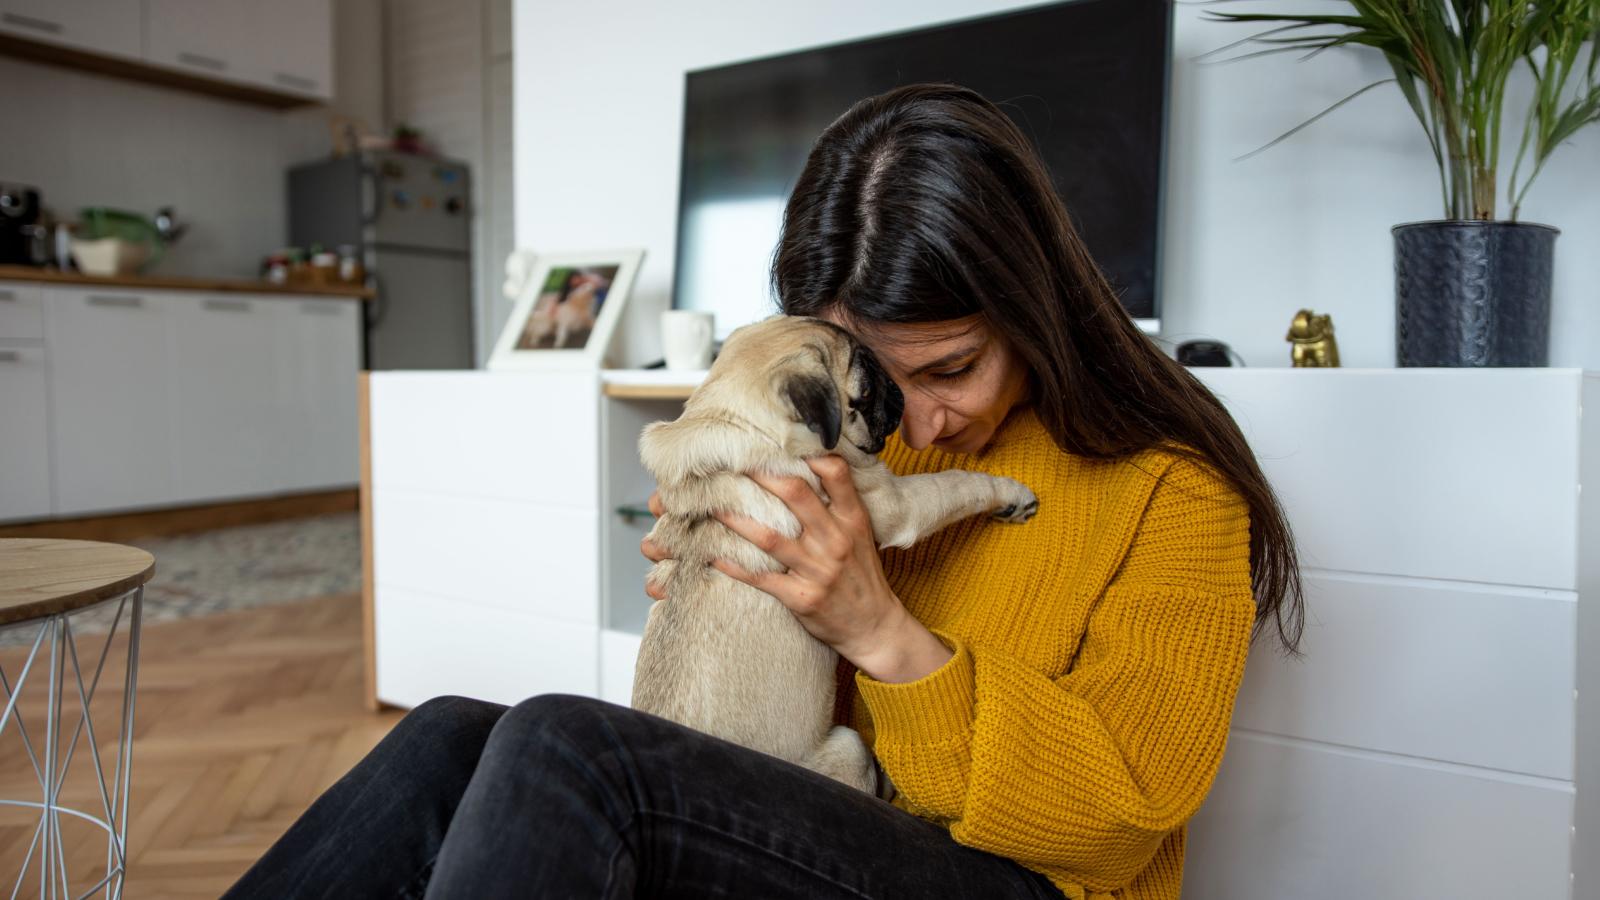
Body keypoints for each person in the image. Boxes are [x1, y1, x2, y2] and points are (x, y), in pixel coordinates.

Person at [220, 82, 1304, 899]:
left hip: (1016, 880)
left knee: (567, 749)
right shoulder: (836, 432)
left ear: (1036, 304)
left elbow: (1120, 819)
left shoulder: (1176, 492)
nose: (918, 423)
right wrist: (723, 601)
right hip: (836, 817)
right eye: (881, 376)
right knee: (454, 734)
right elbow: (782, 726)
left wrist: (880, 629)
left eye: (953, 368)